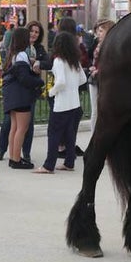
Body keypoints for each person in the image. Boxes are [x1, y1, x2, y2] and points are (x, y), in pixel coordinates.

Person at [34, 32, 87, 174]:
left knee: (54, 134)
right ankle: (69, 162)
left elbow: (61, 82)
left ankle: (48, 165)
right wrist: (72, 86)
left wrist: (51, 92)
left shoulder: (58, 61)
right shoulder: (75, 61)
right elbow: (83, 79)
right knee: (70, 134)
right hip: (74, 103)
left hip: (61, 104)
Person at [0, 20, 46, 163]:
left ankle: (13, 156)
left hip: (12, 96)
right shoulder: (22, 56)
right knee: (22, 128)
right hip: (21, 97)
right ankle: (16, 159)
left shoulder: (13, 54)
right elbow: (24, 78)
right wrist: (39, 82)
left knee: (14, 128)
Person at [87, 18, 114, 133]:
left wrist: (99, 69)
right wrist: (92, 67)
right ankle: (94, 135)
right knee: (95, 110)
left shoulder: (112, 45)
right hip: (94, 80)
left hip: (107, 80)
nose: (98, 33)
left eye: (101, 30)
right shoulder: (96, 44)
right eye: (97, 30)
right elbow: (91, 59)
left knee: (107, 109)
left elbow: (112, 63)